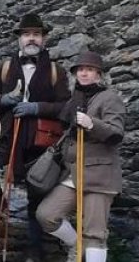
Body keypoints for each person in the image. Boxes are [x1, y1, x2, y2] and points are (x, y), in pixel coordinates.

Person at [0, 13, 71, 262]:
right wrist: (5, 100)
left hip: (40, 143)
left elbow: (66, 107)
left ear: (43, 39)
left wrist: (37, 107)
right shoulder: (5, 67)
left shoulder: (56, 71)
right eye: (27, 34)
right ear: (20, 39)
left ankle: (35, 252)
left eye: (36, 34)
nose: (31, 38)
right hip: (7, 139)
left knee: (36, 198)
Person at [37, 52, 125, 262]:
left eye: (89, 69)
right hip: (73, 174)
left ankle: (88, 250)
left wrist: (92, 123)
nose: (84, 73)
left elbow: (116, 133)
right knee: (46, 214)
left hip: (99, 176)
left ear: (98, 74)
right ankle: (76, 246)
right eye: (80, 70)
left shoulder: (109, 98)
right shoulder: (74, 99)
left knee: (95, 233)